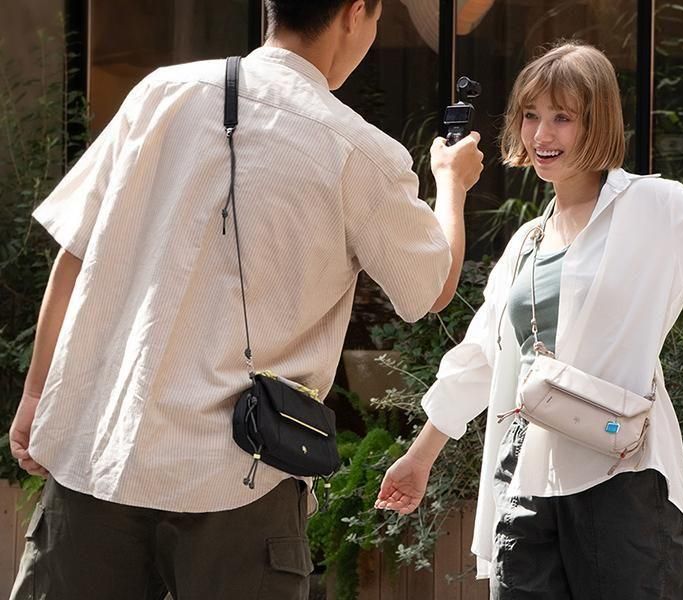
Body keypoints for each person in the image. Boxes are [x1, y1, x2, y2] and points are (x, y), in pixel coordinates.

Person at [8, 1, 484, 598]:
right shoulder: (358, 151)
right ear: (355, 12)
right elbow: (433, 289)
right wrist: (452, 184)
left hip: (101, 451)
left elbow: (76, 254)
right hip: (244, 474)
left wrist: (36, 395)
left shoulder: (162, 93)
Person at [376, 40, 683, 599]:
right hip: (524, 479)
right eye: (531, 115)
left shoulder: (654, 208)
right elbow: (481, 359)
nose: (541, 135)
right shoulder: (527, 242)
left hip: (620, 477)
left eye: (562, 117)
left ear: (596, 122)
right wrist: (420, 457)